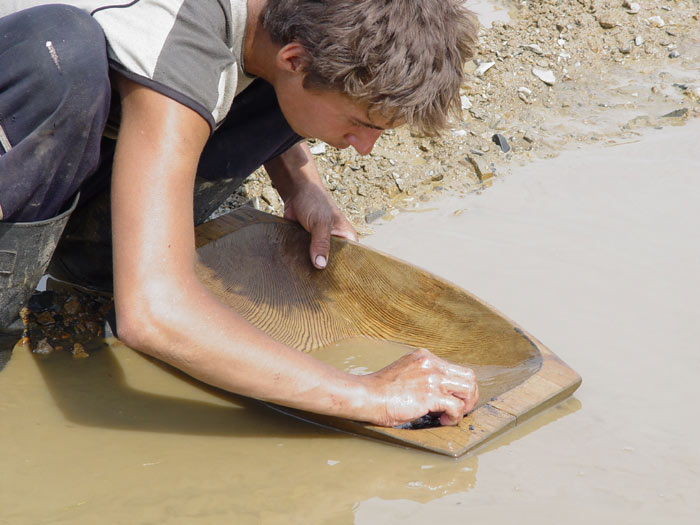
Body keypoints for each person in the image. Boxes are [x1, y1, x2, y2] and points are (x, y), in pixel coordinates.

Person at [0, 0, 480, 427]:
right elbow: (153, 315)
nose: (366, 150)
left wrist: (301, 182)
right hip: (35, 78)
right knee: (61, 54)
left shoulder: (285, 27)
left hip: (132, 112)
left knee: (277, 90)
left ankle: (96, 267)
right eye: (359, 123)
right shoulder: (184, 37)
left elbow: (269, 67)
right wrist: (365, 394)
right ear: (295, 59)